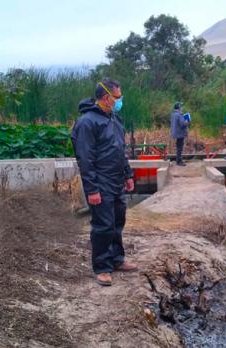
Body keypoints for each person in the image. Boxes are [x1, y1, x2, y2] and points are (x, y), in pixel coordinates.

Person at [70, 78, 138, 286]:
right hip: (100, 182)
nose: (120, 101)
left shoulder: (114, 119)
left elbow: (120, 150)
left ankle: (117, 259)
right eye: (118, 97)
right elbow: (85, 159)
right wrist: (92, 189)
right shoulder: (87, 122)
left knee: (118, 221)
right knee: (103, 226)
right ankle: (102, 267)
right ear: (107, 97)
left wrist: (127, 175)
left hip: (117, 180)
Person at [170, 101, 189, 166]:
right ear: (178, 107)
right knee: (180, 147)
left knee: (178, 147)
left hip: (175, 133)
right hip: (180, 133)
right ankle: (179, 161)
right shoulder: (179, 114)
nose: (182, 107)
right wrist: (187, 121)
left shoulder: (173, 114)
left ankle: (178, 160)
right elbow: (182, 124)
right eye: (181, 106)